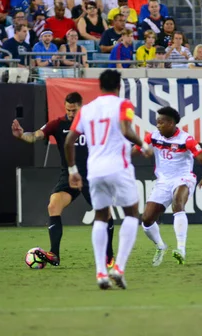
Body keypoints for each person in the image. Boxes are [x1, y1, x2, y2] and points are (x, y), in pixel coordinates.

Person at [64, 69, 149, 289]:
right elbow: (125, 128)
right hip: (118, 167)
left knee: (101, 217)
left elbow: (68, 142)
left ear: (99, 86)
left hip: (94, 170)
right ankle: (118, 267)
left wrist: (73, 170)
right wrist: (143, 144)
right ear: (118, 86)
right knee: (131, 213)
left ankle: (101, 273)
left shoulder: (86, 110)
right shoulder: (124, 104)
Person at [12, 92, 115, 268]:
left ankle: (109, 255)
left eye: (74, 110)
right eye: (68, 110)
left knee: (105, 214)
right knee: (53, 206)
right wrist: (22, 135)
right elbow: (36, 135)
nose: (71, 114)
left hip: (93, 176)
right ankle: (54, 255)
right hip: (69, 176)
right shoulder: (58, 124)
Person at [135, 106, 202, 266]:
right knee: (147, 219)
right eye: (157, 122)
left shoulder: (186, 139)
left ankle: (181, 250)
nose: (157, 125)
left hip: (183, 178)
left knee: (178, 203)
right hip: (163, 182)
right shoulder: (153, 137)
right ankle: (160, 246)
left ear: (171, 123)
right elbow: (134, 150)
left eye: (160, 122)